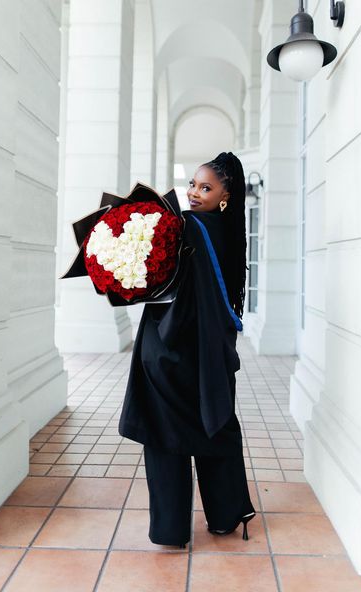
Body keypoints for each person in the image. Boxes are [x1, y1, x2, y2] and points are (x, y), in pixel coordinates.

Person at [118, 151, 256, 548]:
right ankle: (226, 516)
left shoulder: (187, 227)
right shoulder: (229, 232)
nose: (195, 193)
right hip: (208, 355)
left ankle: (171, 529)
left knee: (164, 437)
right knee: (216, 427)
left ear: (225, 196)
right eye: (193, 184)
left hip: (169, 348)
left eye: (206, 188)